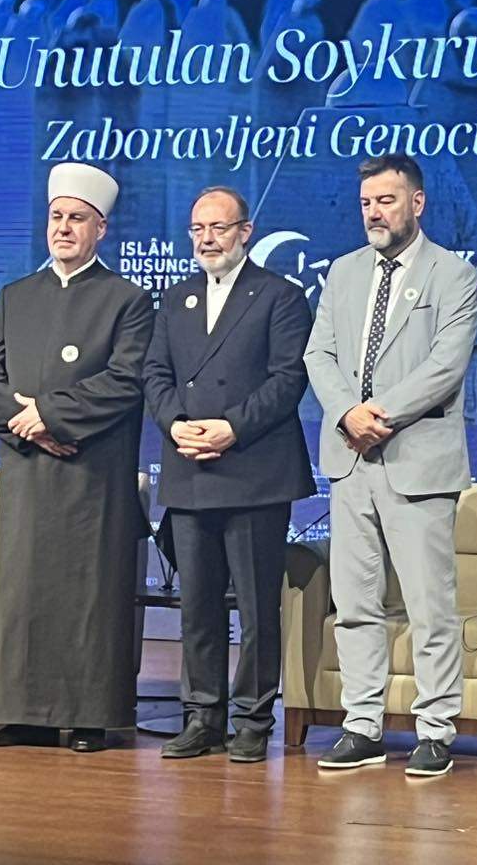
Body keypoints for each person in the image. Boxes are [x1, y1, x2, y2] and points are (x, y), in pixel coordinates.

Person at [302, 153, 477, 777]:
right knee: (354, 604)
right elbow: (318, 354)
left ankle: (436, 730)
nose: (375, 213)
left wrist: (379, 414)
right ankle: (362, 725)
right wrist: (347, 413)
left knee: (430, 606)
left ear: (417, 203)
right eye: (367, 203)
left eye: (387, 200)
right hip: (350, 458)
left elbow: (445, 366)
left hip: (417, 459)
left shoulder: (452, 274)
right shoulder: (344, 271)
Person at [0, 162, 154, 753]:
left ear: (100, 228)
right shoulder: (15, 296)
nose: (63, 227)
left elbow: (125, 381)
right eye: (56, 216)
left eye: (77, 218)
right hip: (28, 471)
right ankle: (21, 713)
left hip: (91, 474)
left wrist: (48, 415)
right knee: (25, 591)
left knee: (88, 595)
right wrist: (30, 426)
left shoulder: (127, 300)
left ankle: (88, 716)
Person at [142, 186, 314, 763]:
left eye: (218, 228)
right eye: (198, 229)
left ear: (245, 231)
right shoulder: (176, 298)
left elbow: (288, 380)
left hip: (253, 470)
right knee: (198, 605)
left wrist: (231, 428)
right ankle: (202, 716)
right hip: (190, 466)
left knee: (258, 607)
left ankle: (253, 719)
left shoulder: (280, 296)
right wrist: (176, 424)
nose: (207, 239)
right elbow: (155, 373)